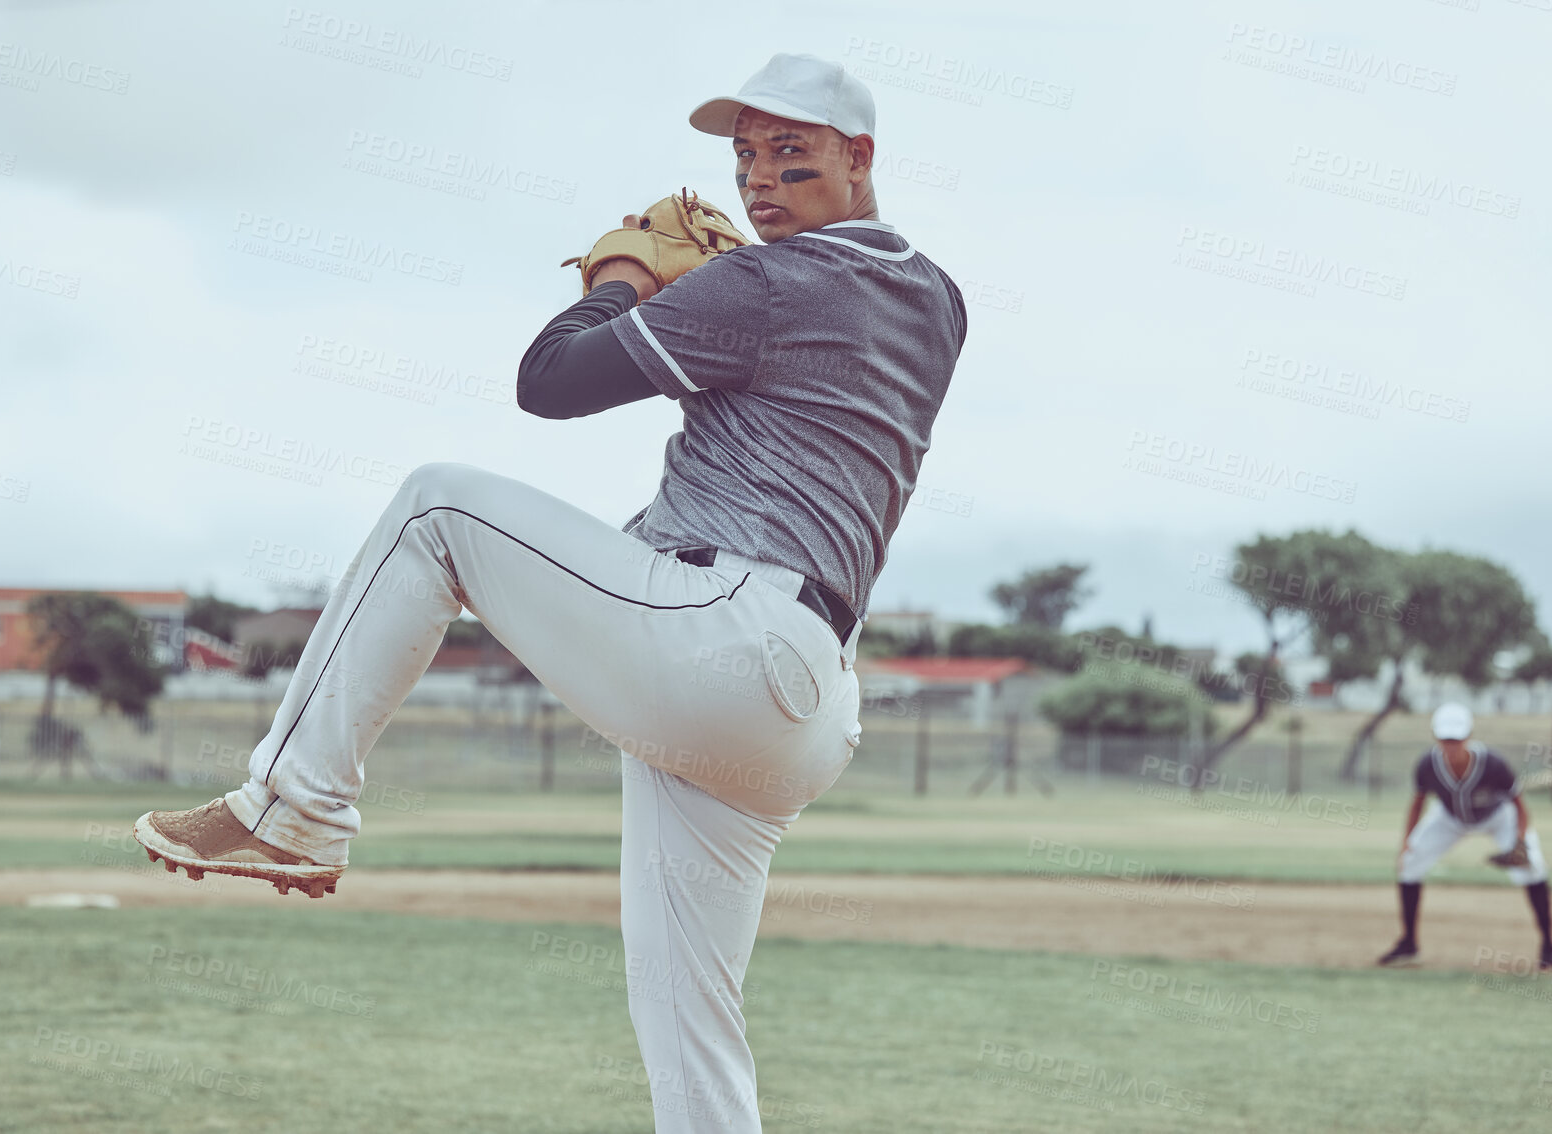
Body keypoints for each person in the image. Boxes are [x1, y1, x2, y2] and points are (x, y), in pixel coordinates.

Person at [132, 52, 966, 1133]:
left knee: (436, 508)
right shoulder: (935, 297)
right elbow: (785, 389)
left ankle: (294, 809)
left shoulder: (768, 281)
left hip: (721, 643)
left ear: (858, 155)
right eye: (746, 155)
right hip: (801, 704)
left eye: (791, 152)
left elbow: (551, 382)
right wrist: (696, 297)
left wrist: (620, 277)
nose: (760, 179)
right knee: (689, 1031)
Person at [1378, 703, 1552, 970]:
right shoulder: (1428, 764)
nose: (1451, 745)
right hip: (1450, 818)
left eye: (1457, 739)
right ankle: (1408, 944)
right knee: (1410, 862)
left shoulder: (1493, 764)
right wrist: (1407, 841)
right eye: (1445, 739)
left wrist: (1520, 841)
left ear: (1468, 736)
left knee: (1533, 867)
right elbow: (1418, 802)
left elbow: (1520, 806)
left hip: (1499, 818)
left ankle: (1549, 943)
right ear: (1436, 738)